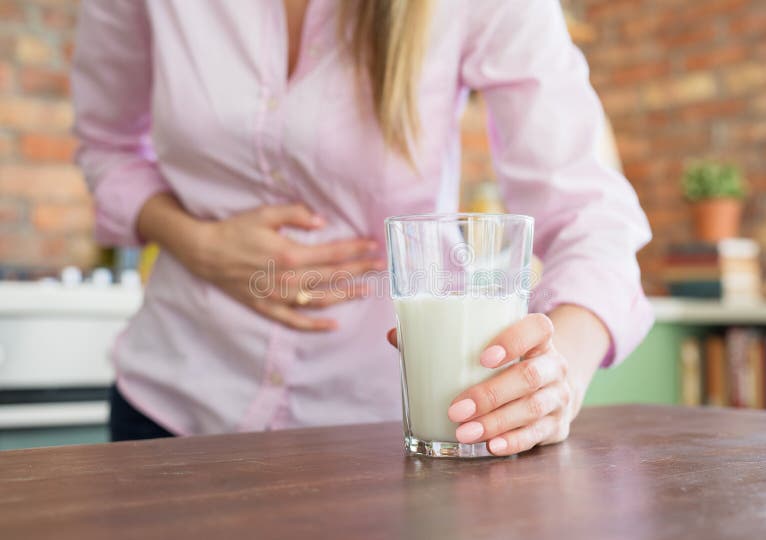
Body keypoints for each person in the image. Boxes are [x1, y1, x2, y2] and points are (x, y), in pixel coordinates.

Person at [72, 0, 653, 456]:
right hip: (175, 402)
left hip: (381, 433)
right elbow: (108, 147)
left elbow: (590, 211)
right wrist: (195, 242)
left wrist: (558, 377)